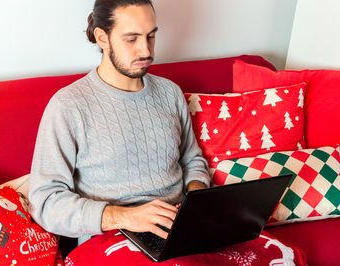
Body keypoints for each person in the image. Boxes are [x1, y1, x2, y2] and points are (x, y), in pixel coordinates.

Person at [28, 0, 210, 247]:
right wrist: (125, 216)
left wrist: (199, 199)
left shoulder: (171, 93)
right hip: (111, 236)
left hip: (179, 224)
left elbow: (192, 160)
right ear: (103, 38)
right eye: (131, 39)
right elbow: (45, 202)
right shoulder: (68, 105)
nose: (146, 51)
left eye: (151, 36)